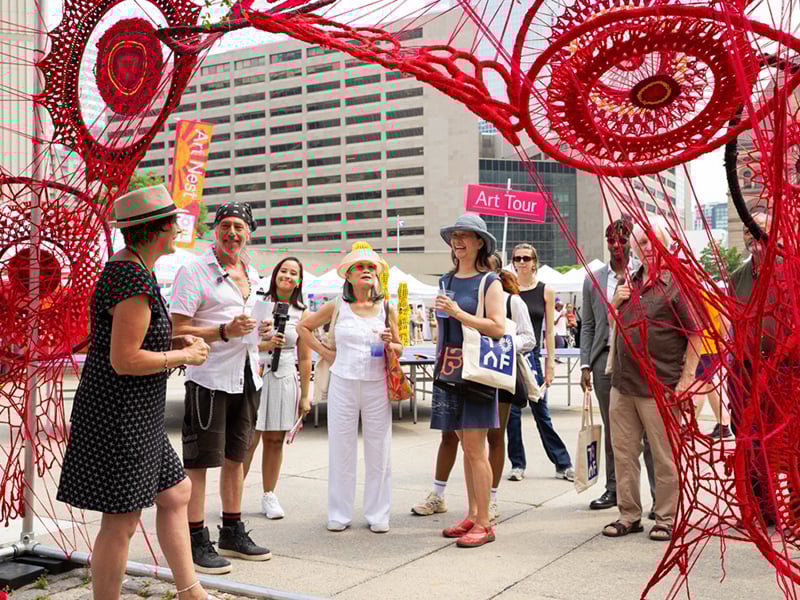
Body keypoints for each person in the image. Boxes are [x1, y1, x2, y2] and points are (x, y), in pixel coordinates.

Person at [57, 185, 211, 599]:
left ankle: (190, 591)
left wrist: (175, 343)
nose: (178, 230)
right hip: (121, 415)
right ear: (157, 230)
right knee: (121, 521)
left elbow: (132, 340)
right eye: (174, 223)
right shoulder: (132, 278)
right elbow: (124, 359)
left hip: (135, 413)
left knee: (176, 491)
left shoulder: (132, 268)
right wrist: (184, 356)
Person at [171, 202, 271, 574]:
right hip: (209, 378)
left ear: (249, 234)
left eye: (239, 227)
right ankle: (195, 538)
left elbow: (250, 325)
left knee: (236, 459)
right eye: (226, 226)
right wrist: (223, 331)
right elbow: (177, 330)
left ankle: (232, 531)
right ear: (215, 230)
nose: (232, 233)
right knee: (200, 463)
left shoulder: (253, 273)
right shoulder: (194, 270)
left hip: (247, 375)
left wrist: (261, 330)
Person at [411, 252, 534, 524]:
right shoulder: (449, 284)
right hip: (458, 369)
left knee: (492, 439)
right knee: (459, 440)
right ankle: (463, 506)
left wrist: (500, 345)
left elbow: (523, 337)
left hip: (493, 370)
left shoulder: (508, 298)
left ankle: (487, 505)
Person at [602, 217, 701, 541]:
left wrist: (686, 381)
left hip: (660, 386)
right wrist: (616, 303)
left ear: (664, 242)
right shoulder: (630, 281)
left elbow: (696, 335)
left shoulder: (676, 283)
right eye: (641, 242)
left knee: (664, 456)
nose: (646, 248)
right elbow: (614, 325)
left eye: (651, 242)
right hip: (623, 384)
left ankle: (667, 517)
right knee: (623, 453)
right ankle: (629, 515)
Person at [297, 243, 402, 533]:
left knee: (379, 450)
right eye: (360, 267)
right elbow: (303, 328)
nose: (366, 271)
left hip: (376, 385)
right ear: (349, 275)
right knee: (341, 448)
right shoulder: (337, 306)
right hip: (342, 382)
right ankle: (339, 513)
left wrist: (390, 343)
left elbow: (400, 347)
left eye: (371, 268)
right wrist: (324, 352)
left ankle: (378, 513)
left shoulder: (387, 307)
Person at [425, 214, 505, 547]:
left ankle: (485, 523)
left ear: (479, 242)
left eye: (465, 236)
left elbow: (498, 327)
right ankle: (473, 514)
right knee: (464, 445)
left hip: (476, 372)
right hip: (449, 370)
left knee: (475, 448)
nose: (458, 241)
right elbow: (444, 330)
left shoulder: (489, 282)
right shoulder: (446, 280)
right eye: (454, 236)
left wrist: (458, 312)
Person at [580, 219, 656, 513]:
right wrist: (585, 364)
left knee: (649, 433)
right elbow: (588, 325)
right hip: (604, 360)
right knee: (615, 431)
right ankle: (614, 489)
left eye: (623, 239)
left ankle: (657, 496)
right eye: (611, 239)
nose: (616, 245)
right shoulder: (593, 280)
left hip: (640, 360)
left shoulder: (645, 274)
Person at [243, 257, 312, 519]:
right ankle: (233, 496)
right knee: (249, 439)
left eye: (294, 273)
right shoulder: (257, 303)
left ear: (299, 281)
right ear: (275, 274)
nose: (288, 276)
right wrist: (266, 343)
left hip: (284, 376)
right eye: (284, 271)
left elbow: (304, 357)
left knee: (274, 440)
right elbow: (243, 341)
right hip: (255, 372)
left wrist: (305, 395)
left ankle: (269, 495)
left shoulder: (302, 312)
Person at [507, 243, 575, 482]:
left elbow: (549, 332)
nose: (522, 262)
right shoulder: (508, 289)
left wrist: (550, 364)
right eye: (518, 258)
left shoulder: (545, 290)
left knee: (541, 412)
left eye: (526, 258)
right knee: (512, 414)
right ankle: (517, 464)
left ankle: (563, 463)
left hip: (533, 357)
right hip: (511, 355)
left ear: (534, 262)